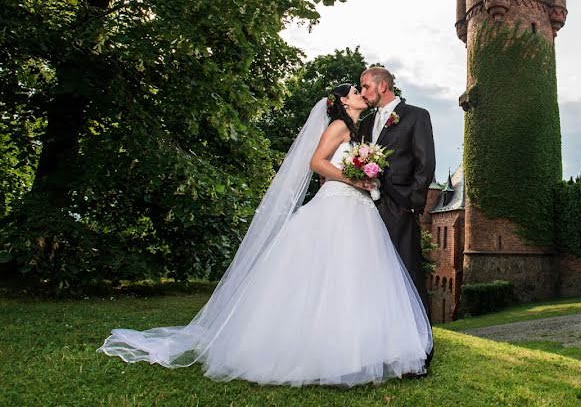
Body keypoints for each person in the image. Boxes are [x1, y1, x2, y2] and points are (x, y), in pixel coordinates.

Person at [98, 84, 432, 386]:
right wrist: (352, 179)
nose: (363, 92)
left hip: (357, 209)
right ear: (344, 100)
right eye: (356, 90)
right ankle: (318, 352)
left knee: (354, 278)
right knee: (326, 276)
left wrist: (365, 178)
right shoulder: (339, 126)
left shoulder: (358, 129)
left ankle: (357, 349)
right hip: (336, 205)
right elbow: (316, 162)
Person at [359, 67, 436, 370]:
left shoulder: (417, 115)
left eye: (366, 87)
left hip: (399, 207)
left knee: (409, 274)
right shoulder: (366, 123)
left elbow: (425, 163)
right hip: (366, 207)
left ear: (383, 85)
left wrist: (411, 204)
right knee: (375, 275)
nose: (363, 92)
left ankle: (421, 349)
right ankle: (381, 344)